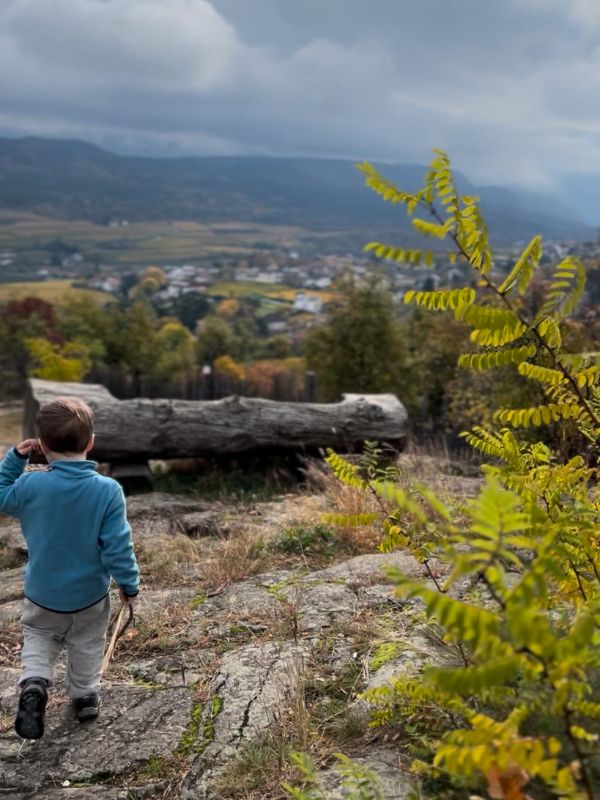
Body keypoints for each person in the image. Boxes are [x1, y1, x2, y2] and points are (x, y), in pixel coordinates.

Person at [0, 396, 140, 740]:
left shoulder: (31, 485)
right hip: (89, 596)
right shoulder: (108, 491)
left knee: (39, 639)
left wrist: (15, 459)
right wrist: (128, 583)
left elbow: (2, 494)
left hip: (42, 594)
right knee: (87, 643)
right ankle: (85, 696)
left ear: (41, 446)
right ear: (90, 442)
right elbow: (117, 546)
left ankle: (34, 685)